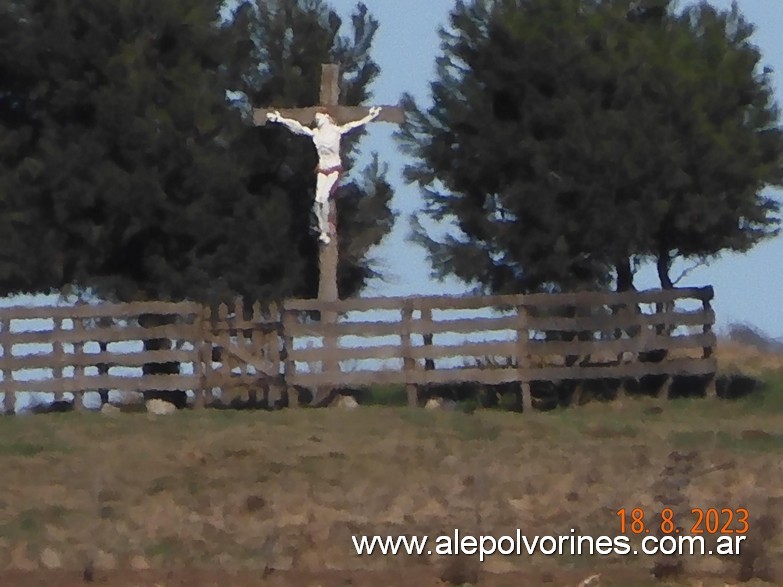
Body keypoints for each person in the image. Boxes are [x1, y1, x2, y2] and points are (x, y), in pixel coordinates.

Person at [266, 106, 382, 244]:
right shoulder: (316, 134)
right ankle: (323, 230)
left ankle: (326, 228)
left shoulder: (336, 131)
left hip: (334, 169)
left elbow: (355, 125)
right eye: (316, 118)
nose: (317, 118)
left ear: (327, 118)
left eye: (319, 116)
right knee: (318, 200)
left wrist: (370, 116)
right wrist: (280, 119)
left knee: (325, 196)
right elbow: (298, 128)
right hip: (322, 169)